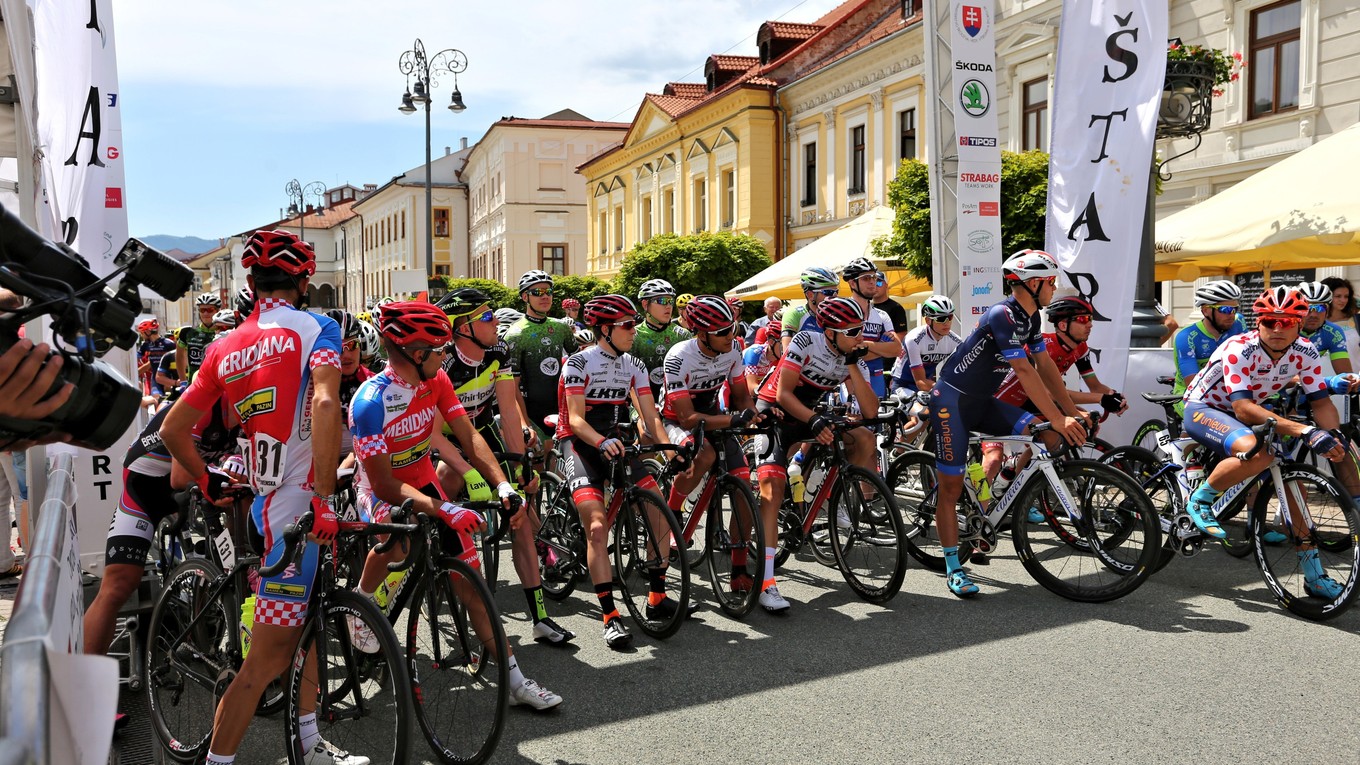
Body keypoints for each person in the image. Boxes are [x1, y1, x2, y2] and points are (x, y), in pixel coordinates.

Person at [160, 229, 359, 765]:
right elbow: (323, 403)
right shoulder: (318, 325)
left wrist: (205, 479)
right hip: (296, 507)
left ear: (249, 281)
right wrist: (322, 497)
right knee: (266, 661)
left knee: (311, 627)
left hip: (261, 503)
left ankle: (311, 742)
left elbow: (174, 430)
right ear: (304, 281)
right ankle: (218, 761)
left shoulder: (224, 344)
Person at [348, 300, 563, 710]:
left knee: (472, 584)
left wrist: (502, 486)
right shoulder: (369, 401)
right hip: (381, 487)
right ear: (416, 354)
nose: (445, 355)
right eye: (439, 348)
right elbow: (383, 483)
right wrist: (441, 508)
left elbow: (470, 436)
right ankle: (361, 599)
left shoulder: (436, 382)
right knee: (397, 541)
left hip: (420, 476)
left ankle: (516, 682)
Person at [928, 249, 1089, 598]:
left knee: (1049, 436)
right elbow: (1024, 370)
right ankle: (954, 567)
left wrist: (1064, 415)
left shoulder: (1031, 320)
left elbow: (1045, 367)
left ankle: (1002, 495)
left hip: (983, 403)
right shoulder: (1002, 314)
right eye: (1051, 282)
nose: (1054, 287)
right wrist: (1060, 415)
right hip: (951, 403)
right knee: (951, 488)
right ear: (1033, 284)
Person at [1181, 286, 1356, 599]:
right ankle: (1202, 500)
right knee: (1258, 452)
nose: (1278, 328)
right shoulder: (1239, 347)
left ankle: (1314, 575)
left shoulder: (1306, 351)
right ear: (1258, 323)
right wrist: (1305, 431)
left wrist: (1333, 434)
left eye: (1286, 322)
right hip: (1206, 407)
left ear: (1299, 325)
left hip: (1252, 412)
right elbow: (1242, 407)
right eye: (1270, 321)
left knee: (1293, 487)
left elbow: (1319, 402)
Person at [434, 286, 576, 646]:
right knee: (447, 481)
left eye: (492, 312)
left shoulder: (499, 350)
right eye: (485, 316)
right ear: (461, 327)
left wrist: (521, 465)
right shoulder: (444, 362)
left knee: (522, 514)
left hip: (481, 429)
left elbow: (509, 414)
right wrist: (467, 472)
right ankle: (438, 554)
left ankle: (541, 617)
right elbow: (433, 433)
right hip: (441, 437)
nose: (495, 319)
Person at [558, 295, 674, 648]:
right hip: (580, 443)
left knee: (658, 510)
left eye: (634, 324)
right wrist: (599, 441)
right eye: (627, 325)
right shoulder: (579, 363)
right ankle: (610, 615)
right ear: (605, 329)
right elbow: (576, 419)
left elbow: (650, 414)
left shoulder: (634, 364)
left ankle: (656, 597)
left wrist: (669, 448)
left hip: (617, 443)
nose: (634, 331)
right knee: (596, 526)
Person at [83, 396, 240, 656]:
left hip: (193, 482)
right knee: (118, 585)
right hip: (146, 490)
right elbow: (180, 477)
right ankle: (81, 685)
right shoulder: (203, 403)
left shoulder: (255, 405)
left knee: (242, 553)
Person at [752, 297, 879, 612]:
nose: (859, 336)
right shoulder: (806, 340)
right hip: (777, 414)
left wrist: (852, 363)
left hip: (809, 414)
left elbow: (871, 410)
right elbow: (782, 394)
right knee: (773, 489)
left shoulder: (848, 354)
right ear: (831, 331)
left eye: (860, 329)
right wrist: (814, 419)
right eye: (852, 330)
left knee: (864, 438)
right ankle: (767, 582)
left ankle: (829, 496)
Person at [981, 296, 1126, 525]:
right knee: (993, 459)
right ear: (1062, 325)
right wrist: (1099, 399)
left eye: (1090, 319)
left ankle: (1014, 487)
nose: (1089, 324)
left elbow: (1095, 386)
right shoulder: (1046, 345)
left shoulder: (1080, 349)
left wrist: (1113, 396)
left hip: (1030, 402)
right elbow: (1049, 393)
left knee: (1053, 439)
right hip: (1002, 401)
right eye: (1082, 319)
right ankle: (981, 517)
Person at [661, 296, 760, 596]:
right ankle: (674, 508)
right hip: (676, 419)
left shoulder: (732, 350)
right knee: (703, 456)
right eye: (723, 332)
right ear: (702, 334)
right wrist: (733, 422)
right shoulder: (679, 357)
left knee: (743, 484)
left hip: (714, 416)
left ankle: (739, 568)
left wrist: (753, 415)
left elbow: (742, 397)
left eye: (732, 328)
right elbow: (687, 417)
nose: (732, 336)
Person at [503, 271, 579, 447]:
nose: (545, 296)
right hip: (531, 412)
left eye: (548, 292)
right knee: (543, 464)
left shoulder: (561, 327)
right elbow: (511, 387)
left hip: (562, 408)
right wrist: (524, 424)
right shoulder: (515, 334)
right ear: (524, 297)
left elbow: (580, 366)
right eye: (537, 292)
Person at [1171, 280, 1247, 410]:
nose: (1231, 315)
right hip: (1190, 394)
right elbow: (1192, 384)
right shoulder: (1186, 337)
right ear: (1206, 310)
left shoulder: (1238, 322)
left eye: (1235, 309)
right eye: (1225, 309)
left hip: (1230, 391)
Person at [841, 257, 901, 398]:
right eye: (866, 278)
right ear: (852, 283)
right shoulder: (843, 312)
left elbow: (897, 349)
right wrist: (881, 348)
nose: (872, 281)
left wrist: (865, 345)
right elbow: (848, 354)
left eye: (873, 277)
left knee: (879, 419)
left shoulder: (882, 315)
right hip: (850, 379)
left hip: (877, 377)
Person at [631, 279, 691, 400]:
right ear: (645, 304)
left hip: (676, 401)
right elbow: (628, 380)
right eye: (662, 301)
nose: (668, 306)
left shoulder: (683, 335)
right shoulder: (633, 335)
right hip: (641, 400)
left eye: (670, 301)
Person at [890, 295, 961, 394]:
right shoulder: (914, 339)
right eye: (941, 318)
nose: (947, 323)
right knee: (922, 410)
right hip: (904, 385)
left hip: (928, 384)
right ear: (928, 320)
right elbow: (920, 382)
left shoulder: (956, 341)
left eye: (950, 317)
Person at [1297, 281, 1352, 374]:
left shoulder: (1333, 332)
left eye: (1320, 308)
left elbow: (1345, 374)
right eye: (1307, 308)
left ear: (1327, 311)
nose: (1313, 314)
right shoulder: (1284, 330)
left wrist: (1349, 381)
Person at [176, 292, 222, 383]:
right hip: (194, 385)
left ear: (217, 310)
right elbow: (179, 355)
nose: (205, 313)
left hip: (217, 386)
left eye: (210, 310)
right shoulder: (187, 332)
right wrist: (182, 380)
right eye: (202, 310)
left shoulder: (225, 332)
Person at [1322, 276, 1360, 361]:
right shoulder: (1312, 323)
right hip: (1320, 374)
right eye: (1338, 296)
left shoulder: (1357, 321)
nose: (1343, 300)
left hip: (1353, 373)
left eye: (1346, 296)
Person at [136, 320, 175, 396]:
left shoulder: (169, 344)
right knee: (156, 399)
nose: (141, 335)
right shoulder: (145, 345)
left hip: (169, 378)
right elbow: (135, 359)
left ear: (147, 331)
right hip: (155, 380)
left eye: (142, 332)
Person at [743, 318, 783, 393]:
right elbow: (752, 389)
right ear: (771, 342)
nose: (786, 349)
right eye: (782, 345)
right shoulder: (754, 353)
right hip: (737, 390)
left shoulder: (780, 357)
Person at [870, 270, 912, 335]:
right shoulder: (866, 307)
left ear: (886, 286)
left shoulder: (896, 308)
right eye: (872, 283)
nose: (875, 286)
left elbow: (901, 335)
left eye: (879, 283)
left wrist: (881, 345)